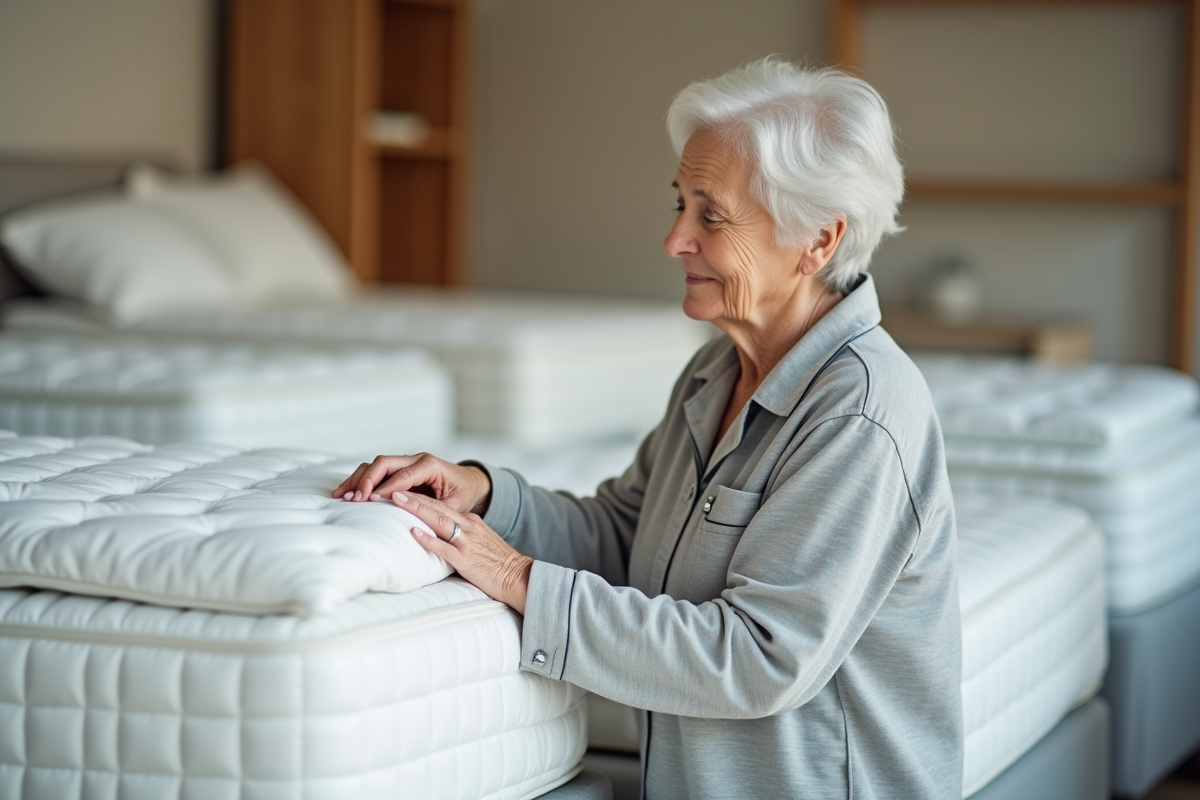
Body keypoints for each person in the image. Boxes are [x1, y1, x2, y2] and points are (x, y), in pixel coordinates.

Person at [335, 57, 962, 800]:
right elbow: (625, 537)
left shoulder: (860, 413)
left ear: (817, 241)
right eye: (680, 205)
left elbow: (757, 658)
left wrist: (514, 576)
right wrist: (481, 495)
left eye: (711, 214)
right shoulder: (715, 373)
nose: (674, 241)